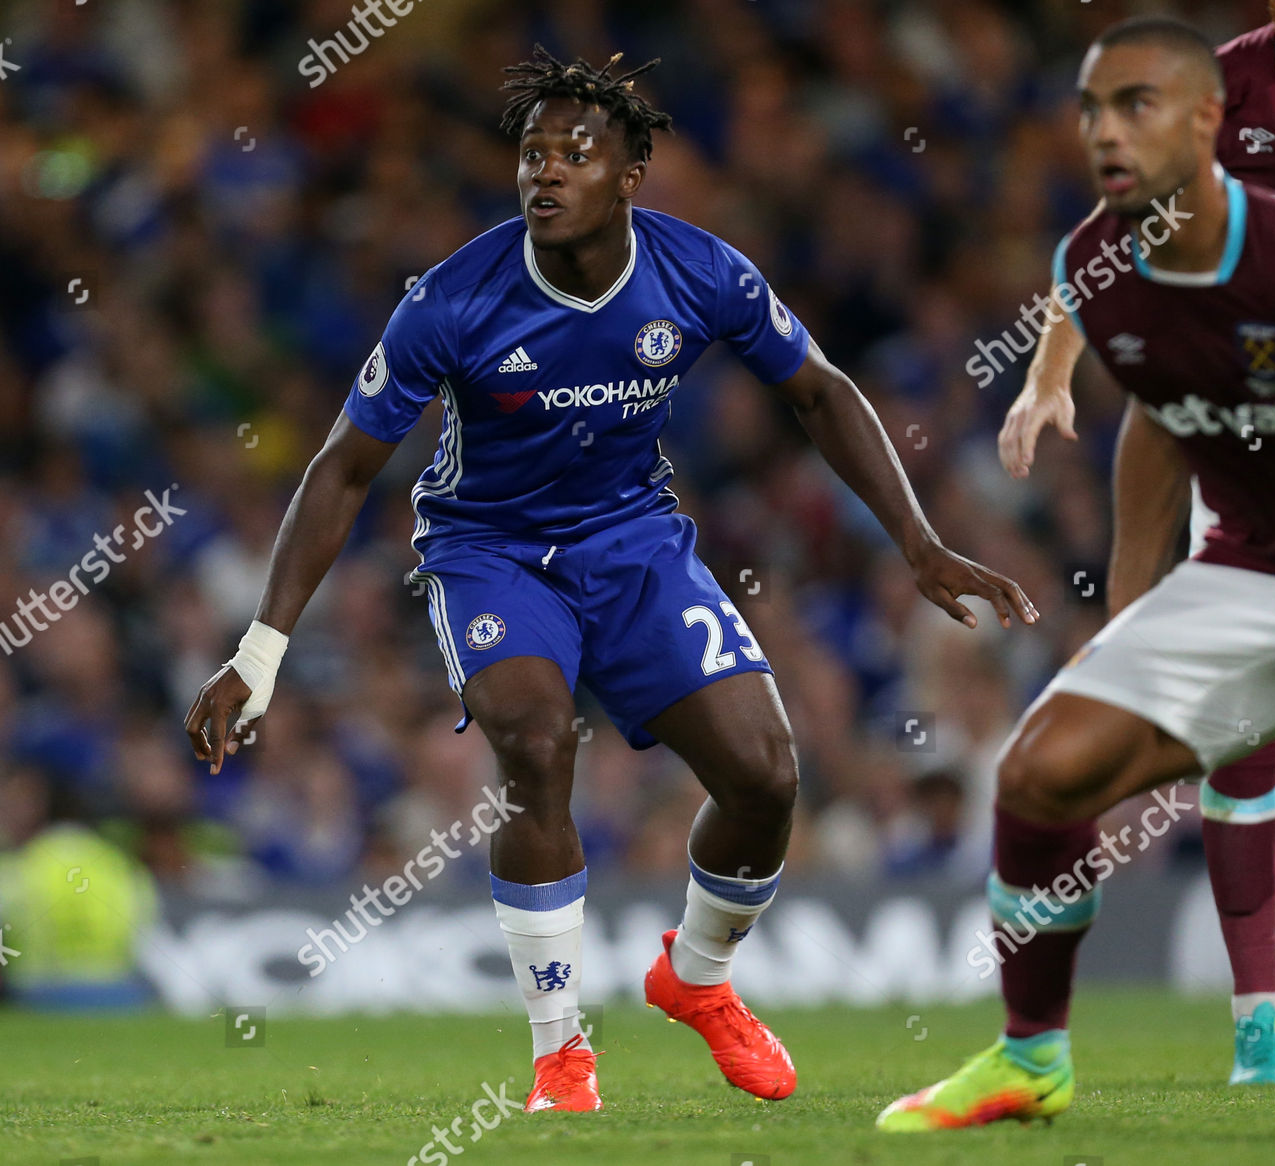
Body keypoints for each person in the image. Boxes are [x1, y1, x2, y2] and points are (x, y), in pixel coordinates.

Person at [183, 47, 1036, 1114]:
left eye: (574, 153)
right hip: (489, 548)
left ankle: (700, 977)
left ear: (631, 173)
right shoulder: (452, 300)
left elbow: (819, 392)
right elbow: (342, 467)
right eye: (532, 153)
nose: (544, 172)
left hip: (632, 541)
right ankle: (559, 1050)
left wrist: (917, 541)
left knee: (768, 776)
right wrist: (259, 650)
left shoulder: (703, 273)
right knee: (536, 741)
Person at [879, 16, 1275, 1131]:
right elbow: (1158, 426)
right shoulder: (1093, 266)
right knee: (1036, 773)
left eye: (1137, 107)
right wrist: (1128, 631)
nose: (1108, 133)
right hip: (1254, 561)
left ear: (1210, 121)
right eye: (1092, 110)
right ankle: (1036, 1056)